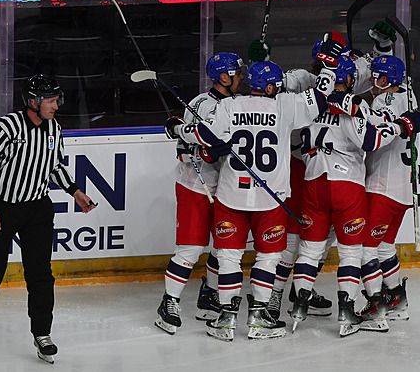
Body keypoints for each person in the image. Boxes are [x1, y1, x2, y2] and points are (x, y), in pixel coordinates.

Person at [166, 58, 331, 341]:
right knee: (269, 257)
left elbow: (204, 134)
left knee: (229, 256)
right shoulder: (285, 105)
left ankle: (226, 318)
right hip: (270, 197)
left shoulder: (230, 106)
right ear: (269, 87)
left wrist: (180, 129)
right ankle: (258, 316)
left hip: (231, 196)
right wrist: (328, 67)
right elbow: (321, 97)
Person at [247, 21, 398, 320]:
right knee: (295, 242)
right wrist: (261, 62)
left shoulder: (343, 70)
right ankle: (277, 297)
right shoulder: (305, 79)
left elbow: (382, 73)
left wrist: (383, 46)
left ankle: (300, 293)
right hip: (301, 169)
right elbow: (266, 87)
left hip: (313, 172)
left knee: (317, 242)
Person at [289, 33, 420, 338]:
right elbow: (371, 139)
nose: (370, 82)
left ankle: (299, 307)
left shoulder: (306, 106)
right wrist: (402, 124)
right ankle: (356, 308)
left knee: (309, 252)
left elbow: (294, 141)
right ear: (348, 79)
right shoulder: (361, 105)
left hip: (314, 183)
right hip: (352, 185)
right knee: (355, 252)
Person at [0, 74, 97, 363]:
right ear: (33, 101)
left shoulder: (54, 128)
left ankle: (42, 334)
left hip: (37, 210)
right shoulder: (6, 127)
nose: (55, 105)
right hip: (2, 210)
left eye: (56, 100)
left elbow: (54, 165)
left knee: (40, 275)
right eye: (50, 100)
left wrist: (75, 191)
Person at [155, 52, 245, 335]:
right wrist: (194, 141)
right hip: (196, 185)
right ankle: (168, 302)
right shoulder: (200, 104)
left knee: (223, 247)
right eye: (237, 73)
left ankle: (209, 294)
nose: (241, 77)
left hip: (227, 187)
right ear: (223, 77)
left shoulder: (238, 103)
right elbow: (191, 143)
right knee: (191, 249)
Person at [359, 54, 419, 330]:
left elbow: (371, 139)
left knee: (364, 250)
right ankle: (396, 300)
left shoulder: (382, 101)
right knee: (384, 247)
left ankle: (376, 308)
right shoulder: (410, 97)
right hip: (404, 191)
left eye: (374, 76)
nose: (370, 81)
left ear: (384, 80)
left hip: (382, 188)